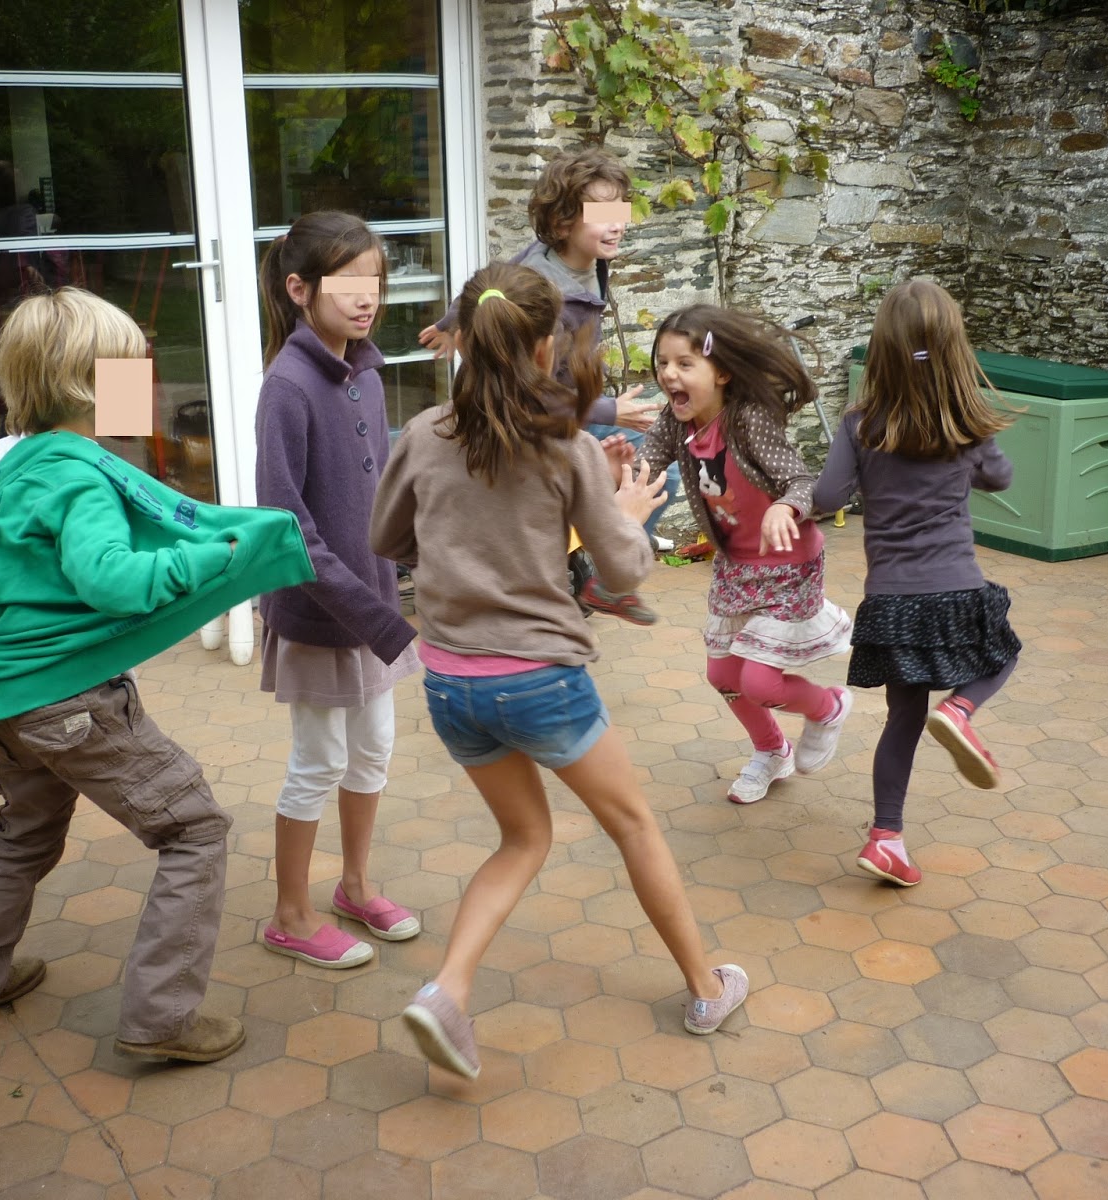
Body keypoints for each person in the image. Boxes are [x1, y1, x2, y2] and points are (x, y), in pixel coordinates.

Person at [0, 288, 315, 1062]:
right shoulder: (77, 476)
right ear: (87, 383)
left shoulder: (17, 463)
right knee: (194, 829)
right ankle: (163, 1017)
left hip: (12, 701)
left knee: (26, 834)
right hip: (69, 699)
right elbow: (115, 582)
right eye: (131, 366)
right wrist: (218, 554)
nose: (144, 379)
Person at [373, 263, 749, 1080]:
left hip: (450, 684)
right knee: (634, 825)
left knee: (523, 838)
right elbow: (624, 569)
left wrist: (468, 541)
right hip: (541, 680)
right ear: (547, 345)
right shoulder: (566, 445)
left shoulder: (426, 433)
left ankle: (447, 992)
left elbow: (388, 541)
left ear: (465, 341)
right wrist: (629, 510)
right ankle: (705, 987)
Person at [812, 280, 1021, 888]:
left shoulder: (860, 425)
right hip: (954, 588)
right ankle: (961, 708)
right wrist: (968, 441)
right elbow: (1001, 479)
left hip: (891, 601)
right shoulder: (966, 425)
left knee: (903, 717)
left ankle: (886, 839)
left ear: (881, 349)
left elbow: (828, 495)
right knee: (1004, 653)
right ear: (955, 349)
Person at [254, 211, 422, 970]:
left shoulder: (366, 372)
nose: (368, 296)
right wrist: (372, 615)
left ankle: (354, 886)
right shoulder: (287, 388)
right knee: (318, 760)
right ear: (300, 289)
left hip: (373, 608)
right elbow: (286, 529)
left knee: (374, 750)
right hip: (322, 617)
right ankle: (290, 915)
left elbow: (380, 496)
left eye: (376, 279)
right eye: (348, 281)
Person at [418, 146, 674, 625]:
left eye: (620, 212)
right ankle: (595, 564)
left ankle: (588, 561)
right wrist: (608, 411)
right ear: (562, 223)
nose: (617, 225)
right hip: (541, 415)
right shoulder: (548, 298)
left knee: (654, 469)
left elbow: (489, 282)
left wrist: (452, 321)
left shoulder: (568, 258)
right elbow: (533, 394)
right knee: (650, 474)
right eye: (601, 215)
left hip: (572, 403)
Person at [630, 306, 855, 806]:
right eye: (663, 363)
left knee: (759, 680)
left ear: (722, 372)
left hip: (788, 566)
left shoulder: (748, 420)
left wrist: (784, 506)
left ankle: (827, 707)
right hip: (736, 566)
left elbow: (802, 481)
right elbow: (645, 465)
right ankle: (773, 751)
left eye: (684, 363)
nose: (668, 374)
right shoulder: (676, 420)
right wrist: (618, 470)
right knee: (724, 677)